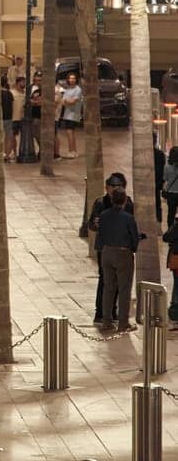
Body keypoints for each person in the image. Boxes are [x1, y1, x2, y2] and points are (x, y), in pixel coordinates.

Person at [89, 172, 135, 324]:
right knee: (106, 281)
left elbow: (131, 225)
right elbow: (91, 225)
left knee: (118, 283)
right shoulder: (100, 203)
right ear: (107, 188)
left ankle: (112, 313)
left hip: (121, 247)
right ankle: (101, 313)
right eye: (113, 187)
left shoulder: (128, 203)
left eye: (119, 186)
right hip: (106, 247)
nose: (116, 190)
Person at [97, 188, 139, 333]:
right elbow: (134, 237)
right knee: (124, 289)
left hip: (107, 251)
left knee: (108, 288)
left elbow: (100, 234)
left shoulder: (104, 215)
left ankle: (106, 321)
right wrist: (132, 249)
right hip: (123, 253)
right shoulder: (128, 218)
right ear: (125, 200)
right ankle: (123, 323)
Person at [56, 71, 83, 158]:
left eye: (73, 78)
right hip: (67, 114)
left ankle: (71, 151)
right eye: (70, 78)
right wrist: (67, 101)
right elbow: (63, 102)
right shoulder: (68, 89)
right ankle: (73, 150)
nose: (72, 80)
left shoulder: (78, 89)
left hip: (74, 114)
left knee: (69, 131)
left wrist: (67, 101)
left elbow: (72, 101)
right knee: (70, 132)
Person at [1, 79, 16, 162]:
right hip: (9, 117)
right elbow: (12, 106)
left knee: (0, 136)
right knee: (8, 136)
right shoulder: (9, 93)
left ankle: (1, 154)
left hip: (0, 118)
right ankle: (7, 154)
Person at [163, 147, 178, 232]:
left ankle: (170, 231)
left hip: (171, 194)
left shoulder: (167, 167)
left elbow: (165, 179)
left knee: (171, 214)